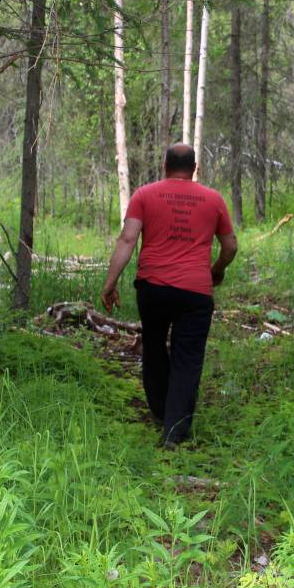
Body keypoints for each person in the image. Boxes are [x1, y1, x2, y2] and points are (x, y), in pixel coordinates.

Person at [101, 143, 238, 448]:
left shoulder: (144, 195)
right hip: (195, 291)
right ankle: (174, 431)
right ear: (195, 168)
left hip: (153, 288)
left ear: (164, 165)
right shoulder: (213, 199)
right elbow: (230, 246)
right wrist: (217, 269)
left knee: (154, 347)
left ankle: (161, 412)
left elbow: (127, 239)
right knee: (187, 358)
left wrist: (110, 283)